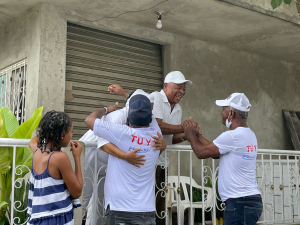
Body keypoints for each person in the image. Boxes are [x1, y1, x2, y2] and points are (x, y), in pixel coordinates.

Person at [108, 70, 193, 224]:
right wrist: (184, 127)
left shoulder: (178, 109)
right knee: (144, 203)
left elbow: (171, 138)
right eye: (178, 87)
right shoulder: (156, 98)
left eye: (184, 89)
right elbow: (158, 125)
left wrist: (186, 135)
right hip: (145, 160)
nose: (182, 91)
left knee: (159, 203)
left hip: (161, 161)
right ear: (166, 86)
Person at [80, 89, 165, 224]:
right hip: (91, 162)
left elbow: (89, 121)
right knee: (83, 205)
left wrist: (105, 109)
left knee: (96, 208)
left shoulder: (122, 133)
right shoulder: (155, 134)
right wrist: (125, 156)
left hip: (117, 204)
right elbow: (102, 144)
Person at [182, 93, 263, 225]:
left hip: (239, 203)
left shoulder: (232, 136)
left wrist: (190, 135)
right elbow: (215, 152)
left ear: (231, 114)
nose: (221, 113)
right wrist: (197, 135)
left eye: (224, 109)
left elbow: (201, 153)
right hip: (249, 201)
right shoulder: (249, 134)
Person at [27, 111, 83, 225]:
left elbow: (33, 140)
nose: (71, 135)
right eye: (71, 132)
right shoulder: (60, 158)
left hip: (39, 217)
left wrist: (47, 132)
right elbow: (77, 192)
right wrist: (77, 157)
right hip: (56, 218)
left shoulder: (37, 151)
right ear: (62, 134)